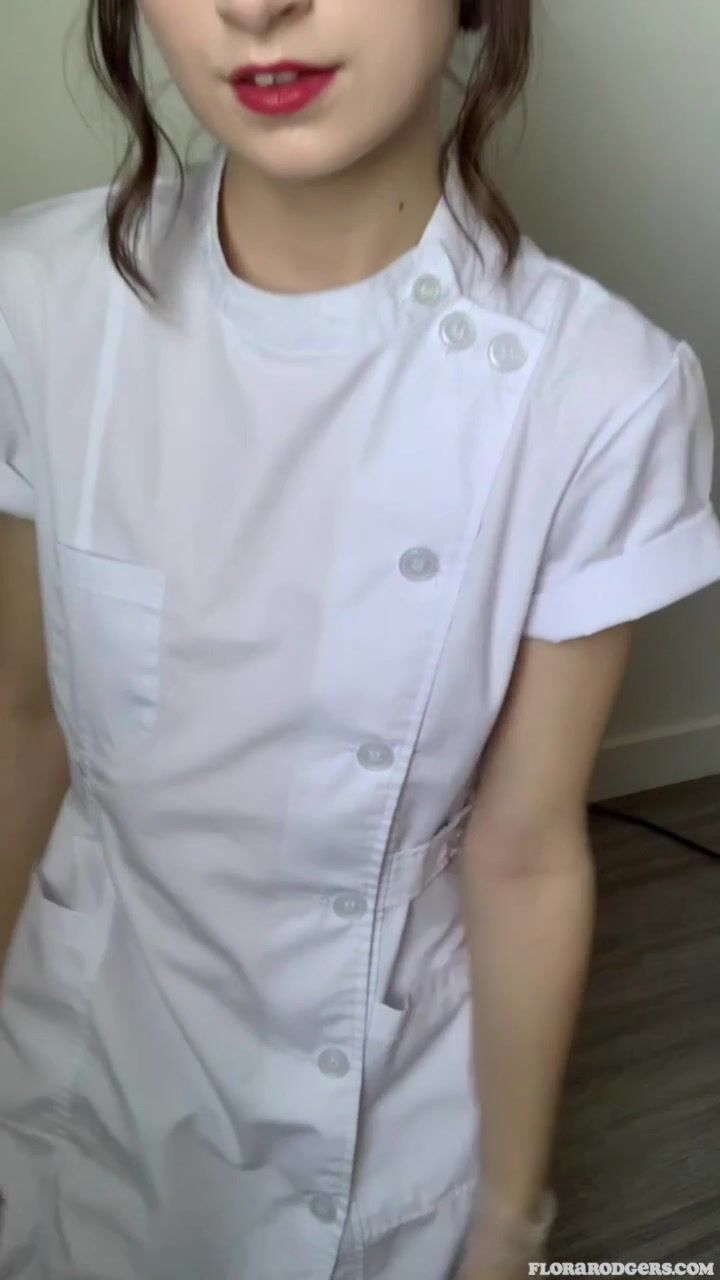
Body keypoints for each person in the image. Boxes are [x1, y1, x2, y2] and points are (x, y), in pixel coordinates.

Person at [1, 1, 719, 1277]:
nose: (256, 7)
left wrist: (510, 1221)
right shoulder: (38, 300)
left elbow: (524, 851)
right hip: (78, 1063)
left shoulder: (603, 392)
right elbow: (22, 724)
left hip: (382, 1119)